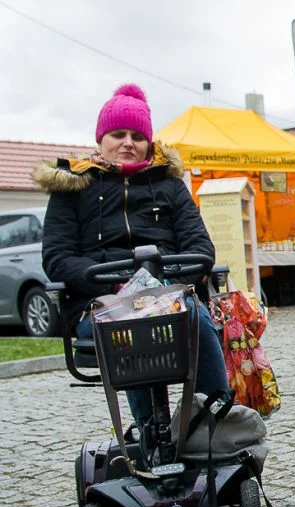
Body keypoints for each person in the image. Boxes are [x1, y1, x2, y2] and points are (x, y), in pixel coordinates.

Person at [37, 84, 228, 429]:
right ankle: (150, 430)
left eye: (137, 136)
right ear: (100, 140)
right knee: (131, 323)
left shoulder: (170, 186)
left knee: (193, 315)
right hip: (102, 302)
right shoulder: (73, 186)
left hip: (169, 293)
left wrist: (167, 283)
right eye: (118, 134)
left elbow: (200, 248)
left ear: (149, 143)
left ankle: (213, 419)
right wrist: (113, 284)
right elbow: (57, 257)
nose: (128, 142)